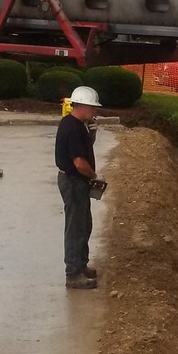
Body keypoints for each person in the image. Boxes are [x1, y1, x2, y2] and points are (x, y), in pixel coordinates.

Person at [55, 86, 103, 289]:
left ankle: (81, 264)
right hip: (74, 182)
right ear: (81, 105)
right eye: (92, 107)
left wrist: (91, 136)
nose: (95, 111)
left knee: (84, 224)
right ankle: (73, 274)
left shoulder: (78, 124)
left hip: (78, 182)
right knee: (76, 227)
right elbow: (79, 163)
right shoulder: (72, 128)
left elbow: (83, 151)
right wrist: (95, 176)